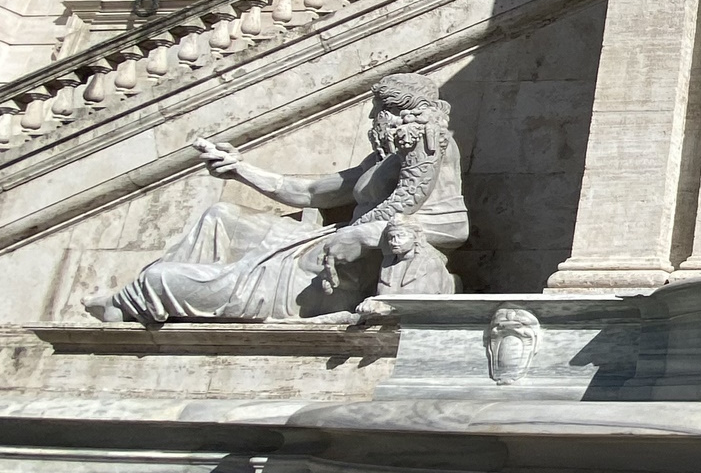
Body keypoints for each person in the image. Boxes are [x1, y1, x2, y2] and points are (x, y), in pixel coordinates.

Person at [84, 73, 467, 323]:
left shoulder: (430, 147)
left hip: (321, 271)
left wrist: (359, 235)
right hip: (316, 248)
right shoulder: (382, 160)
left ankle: (142, 299)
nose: (374, 123)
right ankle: (161, 299)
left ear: (397, 116)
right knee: (220, 215)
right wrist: (240, 168)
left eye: (379, 114)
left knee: (159, 279)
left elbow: (443, 222)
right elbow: (308, 191)